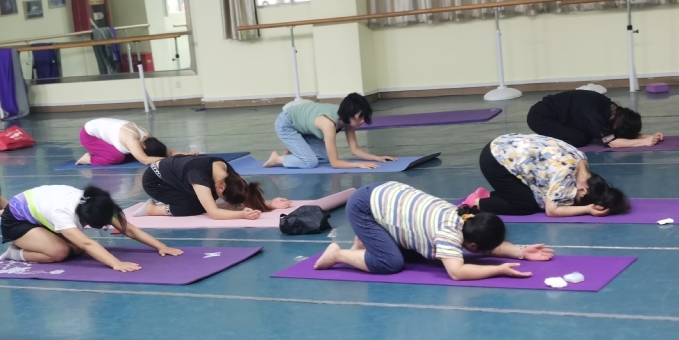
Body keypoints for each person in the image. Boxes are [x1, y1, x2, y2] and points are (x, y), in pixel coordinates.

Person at [314, 181, 554, 280]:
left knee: (416, 255)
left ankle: (367, 239)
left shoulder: (465, 216)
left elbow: (488, 244)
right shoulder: (448, 234)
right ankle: (338, 254)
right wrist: (498, 270)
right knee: (391, 263)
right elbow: (457, 272)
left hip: (383, 193)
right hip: (364, 206)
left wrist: (521, 251)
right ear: (471, 245)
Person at [0, 184, 182, 272]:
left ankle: (37, 241)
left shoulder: (97, 203)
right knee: (60, 252)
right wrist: (116, 263)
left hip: (41, 215)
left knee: (76, 249)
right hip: (16, 221)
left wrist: (161, 246)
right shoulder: (63, 213)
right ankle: (14, 253)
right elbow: (88, 243)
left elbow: (129, 229)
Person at [466, 133, 629, 217]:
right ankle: (477, 203)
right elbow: (552, 210)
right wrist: (586, 209)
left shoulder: (581, 160)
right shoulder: (565, 174)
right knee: (527, 206)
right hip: (494, 160)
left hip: (503, 144)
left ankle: (489, 195)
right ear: (583, 191)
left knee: (537, 195)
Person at [263, 93, 397, 170]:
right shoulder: (328, 124)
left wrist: (376, 158)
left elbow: (355, 149)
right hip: (287, 124)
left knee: (325, 158)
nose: (362, 121)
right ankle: (277, 159)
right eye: (360, 117)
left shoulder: (348, 120)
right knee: (310, 163)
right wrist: (359, 164)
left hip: (306, 127)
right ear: (349, 114)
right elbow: (335, 163)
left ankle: (293, 150)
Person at [142, 155, 291, 219]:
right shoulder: (199, 176)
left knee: (208, 199)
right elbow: (214, 213)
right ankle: (152, 209)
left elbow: (243, 193)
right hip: (157, 182)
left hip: (179, 177)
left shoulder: (229, 175)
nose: (220, 198)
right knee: (196, 207)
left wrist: (269, 203)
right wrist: (241, 215)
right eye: (223, 197)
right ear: (222, 188)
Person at [526, 90, 663, 148]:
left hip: (556, 114)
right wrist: (643, 142)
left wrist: (648, 136)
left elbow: (619, 133)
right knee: (580, 139)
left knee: (589, 135)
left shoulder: (608, 106)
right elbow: (612, 143)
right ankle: (541, 142)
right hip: (540, 117)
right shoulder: (597, 116)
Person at [76, 118, 196, 166]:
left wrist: (186, 154)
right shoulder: (132, 139)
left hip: (101, 129)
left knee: (130, 155)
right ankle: (89, 159)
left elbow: (168, 152)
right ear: (143, 147)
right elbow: (145, 160)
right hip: (89, 135)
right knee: (117, 157)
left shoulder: (148, 137)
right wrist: (170, 161)